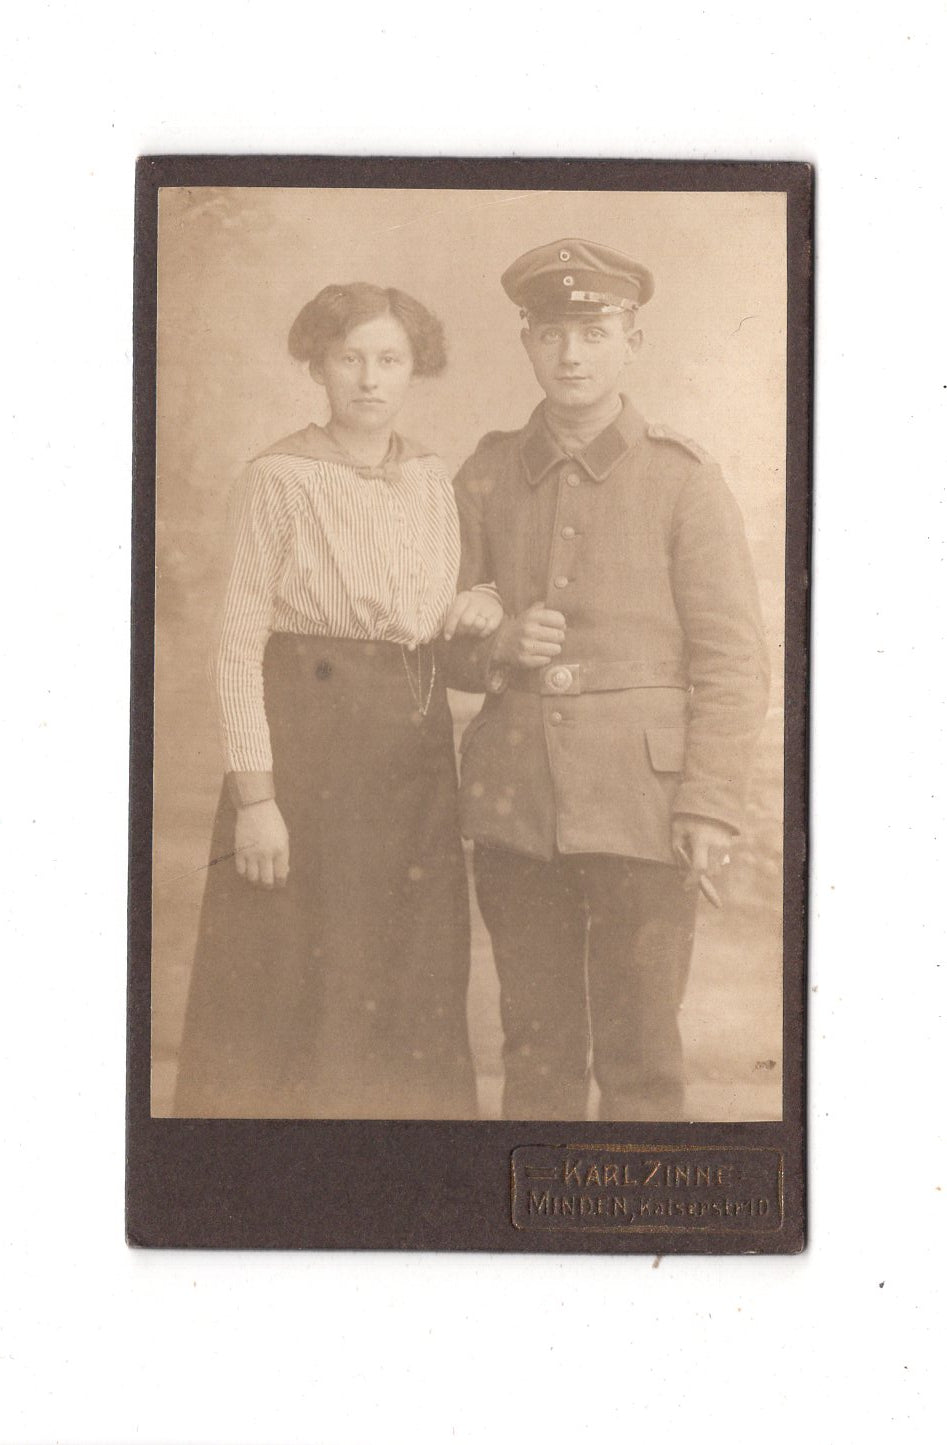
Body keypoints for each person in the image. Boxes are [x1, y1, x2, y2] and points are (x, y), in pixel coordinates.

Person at [445, 239, 769, 1121]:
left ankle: (635, 1239)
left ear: (634, 339)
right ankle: (536, 1234)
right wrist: (499, 647)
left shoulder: (682, 479)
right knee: (535, 1047)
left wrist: (706, 803)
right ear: (525, 341)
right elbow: (441, 641)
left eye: (593, 331)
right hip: (518, 802)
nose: (572, 355)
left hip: (645, 806)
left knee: (640, 1054)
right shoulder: (483, 473)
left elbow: (734, 661)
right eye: (551, 333)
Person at [173, 281, 502, 1120]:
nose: (369, 379)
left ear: (413, 369)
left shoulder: (433, 478)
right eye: (349, 358)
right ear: (317, 365)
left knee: (406, 974)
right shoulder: (278, 478)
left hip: (412, 761)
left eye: (389, 359)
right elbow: (238, 644)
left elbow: (442, 613)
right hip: (305, 757)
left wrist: (481, 604)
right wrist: (257, 800)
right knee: (297, 984)